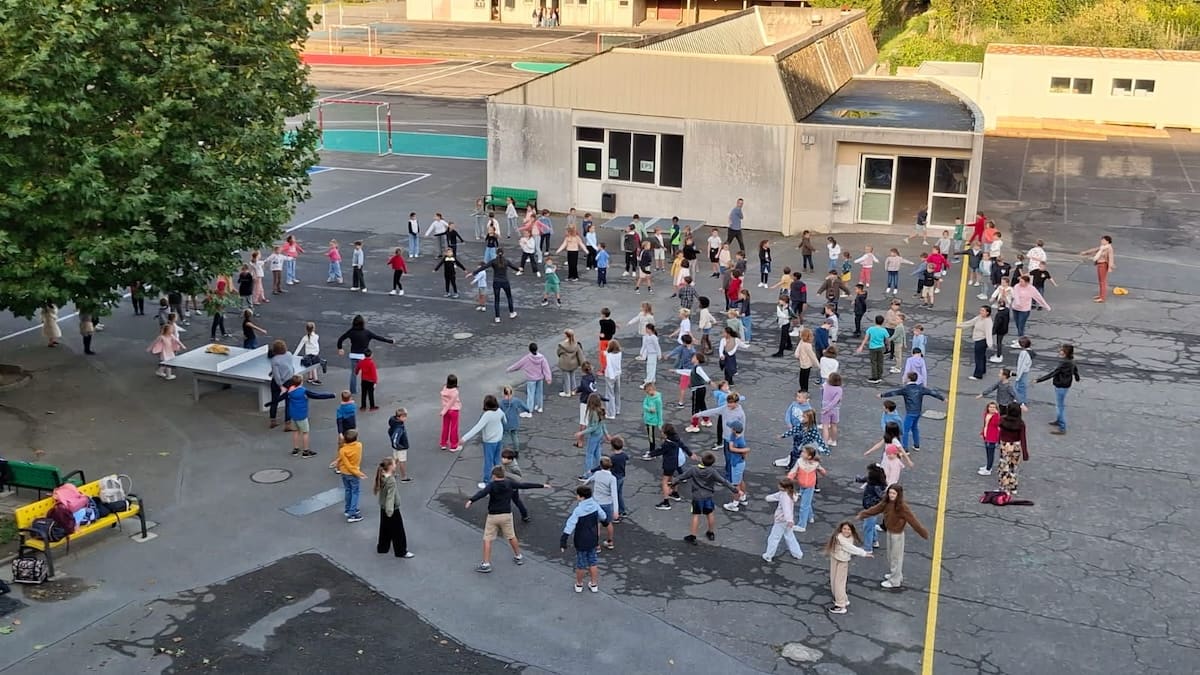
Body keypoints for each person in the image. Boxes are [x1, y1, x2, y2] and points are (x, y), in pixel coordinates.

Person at [465, 466, 550, 573]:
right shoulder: (509, 483)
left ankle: (486, 564)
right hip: (506, 515)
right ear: (503, 475)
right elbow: (524, 485)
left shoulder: (492, 485)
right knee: (511, 536)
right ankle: (518, 556)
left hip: (493, 516)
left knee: (488, 539)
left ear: (494, 475)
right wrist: (542, 485)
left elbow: (482, 493)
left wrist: (471, 500)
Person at [857, 484, 929, 589]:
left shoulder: (902, 507)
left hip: (897, 535)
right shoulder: (886, 502)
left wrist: (923, 533)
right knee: (891, 556)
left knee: (896, 557)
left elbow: (913, 521)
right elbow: (876, 509)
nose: (891, 495)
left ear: (898, 494)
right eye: (890, 492)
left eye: (894, 493)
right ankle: (895, 574)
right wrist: (863, 514)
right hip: (890, 531)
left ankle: (895, 581)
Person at [669, 452, 738, 545]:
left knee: (696, 515)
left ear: (701, 460)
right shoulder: (712, 472)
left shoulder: (693, 469)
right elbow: (723, 481)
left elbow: (681, 477)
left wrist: (672, 483)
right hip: (708, 496)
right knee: (710, 514)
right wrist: (735, 490)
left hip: (697, 497)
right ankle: (710, 532)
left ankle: (692, 536)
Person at [265, 375, 335, 458]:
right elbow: (317, 395)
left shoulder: (289, 391)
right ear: (301, 382)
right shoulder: (303, 391)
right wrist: (331, 395)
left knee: (295, 432)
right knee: (305, 433)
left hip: (293, 415)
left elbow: (278, 399)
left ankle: (295, 449)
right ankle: (306, 451)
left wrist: (269, 404)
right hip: (302, 415)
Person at [560, 485, 611, 593]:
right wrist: (605, 523)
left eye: (577, 495)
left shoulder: (579, 510)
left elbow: (570, 525)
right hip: (593, 538)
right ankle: (594, 584)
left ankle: (579, 584)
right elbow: (603, 516)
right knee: (593, 562)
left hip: (581, 540)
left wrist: (563, 540)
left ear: (581, 497)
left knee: (581, 564)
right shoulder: (595, 505)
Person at [879, 372, 945, 452]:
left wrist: (882, 395)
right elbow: (932, 393)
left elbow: (894, 393)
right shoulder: (920, 388)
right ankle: (916, 445)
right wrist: (943, 398)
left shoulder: (906, 389)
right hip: (917, 412)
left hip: (910, 412)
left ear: (909, 379)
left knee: (905, 430)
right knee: (915, 428)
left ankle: (905, 449)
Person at [336, 315, 394, 394]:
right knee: (366, 373)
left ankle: (353, 391)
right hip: (363, 357)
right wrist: (390, 341)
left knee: (353, 374)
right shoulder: (367, 332)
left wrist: (340, 348)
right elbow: (379, 337)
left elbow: (340, 339)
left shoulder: (351, 332)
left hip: (353, 356)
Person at [824, 521, 872, 614]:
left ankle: (841, 605)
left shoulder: (840, 539)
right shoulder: (841, 537)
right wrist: (864, 553)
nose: (846, 531)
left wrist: (864, 553)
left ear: (852, 531)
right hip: (835, 559)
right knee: (834, 580)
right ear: (841, 529)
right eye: (844, 529)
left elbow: (850, 548)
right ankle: (842, 599)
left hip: (842, 561)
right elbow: (850, 548)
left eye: (848, 529)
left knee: (839, 583)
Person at [1037, 343, 1080, 435]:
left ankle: (1062, 427)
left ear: (1065, 353)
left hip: (1061, 385)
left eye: (1062, 350)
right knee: (1060, 404)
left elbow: (1053, 373)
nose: (1060, 351)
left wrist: (1039, 380)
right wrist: (1077, 377)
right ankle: (1059, 420)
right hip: (1066, 384)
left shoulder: (1063, 363)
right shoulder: (1071, 360)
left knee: (1060, 407)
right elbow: (1075, 370)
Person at [374, 457, 413, 558]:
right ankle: (401, 551)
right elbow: (390, 497)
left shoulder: (382, 475)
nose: (396, 466)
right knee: (398, 531)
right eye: (394, 464)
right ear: (391, 467)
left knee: (384, 528)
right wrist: (390, 511)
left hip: (383, 507)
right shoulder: (391, 481)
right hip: (392, 509)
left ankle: (382, 547)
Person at [471, 249, 522, 324]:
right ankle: (511, 313)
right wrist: (519, 269)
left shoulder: (493, 261)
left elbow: (484, 267)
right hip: (505, 281)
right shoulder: (506, 261)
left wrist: (474, 273)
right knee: (509, 297)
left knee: (497, 300)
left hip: (496, 282)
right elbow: (514, 267)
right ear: (503, 253)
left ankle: (497, 317)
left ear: (496, 253)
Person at [762, 478, 803, 563]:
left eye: (780, 485)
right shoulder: (789, 493)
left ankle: (769, 555)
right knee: (790, 536)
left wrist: (789, 520)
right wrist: (790, 520)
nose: (778, 486)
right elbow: (776, 496)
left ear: (784, 488)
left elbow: (786, 509)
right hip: (787, 521)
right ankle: (797, 553)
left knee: (774, 538)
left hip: (781, 520)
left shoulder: (784, 497)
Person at [787, 445, 826, 531]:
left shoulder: (815, 464)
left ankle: (802, 525)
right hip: (802, 485)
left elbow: (822, 470)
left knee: (804, 505)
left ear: (809, 456)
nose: (801, 453)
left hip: (810, 486)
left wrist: (822, 472)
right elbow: (793, 471)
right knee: (806, 502)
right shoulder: (799, 462)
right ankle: (810, 517)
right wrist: (789, 479)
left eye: (804, 452)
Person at [507, 342, 553, 414]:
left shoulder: (527, 358)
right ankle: (540, 407)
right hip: (539, 378)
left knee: (530, 394)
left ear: (529, 349)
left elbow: (518, 365)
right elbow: (546, 368)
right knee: (539, 393)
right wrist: (548, 378)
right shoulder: (542, 358)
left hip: (531, 379)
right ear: (537, 349)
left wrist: (509, 369)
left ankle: (529, 410)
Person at [584, 456, 619, 549]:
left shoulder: (597, 473)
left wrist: (583, 485)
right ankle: (610, 542)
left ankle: (596, 545)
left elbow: (589, 480)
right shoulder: (612, 478)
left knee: (596, 524)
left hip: (596, 503)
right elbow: (614, 494)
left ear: (600, 465)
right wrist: (616, 510)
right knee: (608, 523)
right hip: (607, 504)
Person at [575, 394, 610, 480]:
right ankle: (599, 470)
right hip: (600, 434)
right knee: (597, 454)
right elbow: (602, 424)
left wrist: (581, 433)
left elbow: (593, 427)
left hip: (594, 436)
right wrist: (607, 434)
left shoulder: (593, 412)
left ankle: (588, 474)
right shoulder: (600, 411)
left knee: (589, 455)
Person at [996, 402, 1030, 493]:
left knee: (1004, 466)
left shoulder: (1002, 420)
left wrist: (998, 441)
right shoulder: (1021, 423)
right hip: (1016, 446)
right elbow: (1023, 438)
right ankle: (1013, 486)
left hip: (1005, 445)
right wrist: (1025, 453)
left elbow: (999, 432)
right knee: (1013, 466)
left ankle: (1003, 487)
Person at [335, 429, 367, 523]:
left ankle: (348, 509)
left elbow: (343, 461)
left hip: (344, 473)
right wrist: (359, 473)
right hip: (353, 473)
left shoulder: (342, 450)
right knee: (355, 492)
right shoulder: (359, 446)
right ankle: (352, 514)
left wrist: (336, 462)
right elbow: (350, 466)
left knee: (348, 490)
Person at [957, 305, 994, 380]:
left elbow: (988, 333)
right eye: (981, 310)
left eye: (983, 311)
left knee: (978, 358)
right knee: (982, 356)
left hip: (981, 341)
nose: (981, 312)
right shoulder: (979, 317)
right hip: (978, 340)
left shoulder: (988, 321)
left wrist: (990, 344)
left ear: (987, 313)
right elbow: (971, 322)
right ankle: (982, 370)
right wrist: (960, 325)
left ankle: (978, 375)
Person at [856, 315, 891, 384]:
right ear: (882, 322)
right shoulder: (884, 330)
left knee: (874, 362)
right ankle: (879, 375)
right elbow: (887, 340)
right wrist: (888, 347)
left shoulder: (871, 329)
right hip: (881, 347)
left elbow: (866, 339)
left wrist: (861, 346)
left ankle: (875, 377)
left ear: (875, 321)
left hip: (872, 347)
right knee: (880, 362)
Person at [268, 340, 294, 429]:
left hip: (278, 383)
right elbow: (288, 366)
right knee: (289, 403)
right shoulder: (289, 354)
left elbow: (277, 376)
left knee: (274, 401)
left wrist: (280, 385)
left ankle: (273, 421)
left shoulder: (274, 360)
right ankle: (288, 424)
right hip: (289, 381)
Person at [500, 449, 530, 523]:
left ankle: (524, 515)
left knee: (512, 501)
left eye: (504, 458)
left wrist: (506, 474)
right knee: (512, 501)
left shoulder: (514, 467)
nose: (502, 459)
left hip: (512, 487)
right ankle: (524, 515)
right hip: (505, 485)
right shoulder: (504, 463)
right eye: (502, 457)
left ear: (510, 460)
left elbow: (519, 478)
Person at [440, 374, 464, 455]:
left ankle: (443, 443)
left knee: (445, 426)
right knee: (454, 428)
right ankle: (454, 446)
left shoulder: (444, 388)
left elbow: (445, 402)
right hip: (454, 410)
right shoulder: (455, 392)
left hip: (446, 411)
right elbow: (451, 403)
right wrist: (444, 411)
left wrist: (444, 410)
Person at [556, 330, 585, 398]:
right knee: (572, 376)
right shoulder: (576, 344)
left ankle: (567, 392)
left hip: (565, 363)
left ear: (566, 335)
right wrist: (583, 364)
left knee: (566, 377)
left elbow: (558, 353)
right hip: (573, 363)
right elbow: (580, 355)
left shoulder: (562, 345)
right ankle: (573, 390)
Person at [387, 407, 411, 482]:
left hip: (396, 446)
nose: (405, 418)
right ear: (399, 417)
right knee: (402, 461)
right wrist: (399, 446)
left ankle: (391, 473)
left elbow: (390, 432)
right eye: (404, 417)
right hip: (401, 446)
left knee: (395, 459)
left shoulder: (393, 422)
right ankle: (404, 477)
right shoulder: (399, 427)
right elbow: (396, 438)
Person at [978, 401, 1001, 476]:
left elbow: (997, 424)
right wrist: (982, 433)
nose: (992, 409)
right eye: (990, 407)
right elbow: (985, 425)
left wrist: (997, 414)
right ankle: (988, 465)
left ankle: (988, 469)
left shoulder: (996, 417)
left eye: (994, 407)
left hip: (992, 437)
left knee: (991, 453)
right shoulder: (986, 414)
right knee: (988, 452)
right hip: (986, 435)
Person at [603, 339, 623, 419]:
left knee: (609, 394)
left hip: (610, 376)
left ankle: (611, 413)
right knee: (617, 392)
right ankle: (617, 409)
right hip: (617, 374)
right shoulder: (619, 354)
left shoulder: (609, 356)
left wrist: (611, 376)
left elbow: (610, 366)